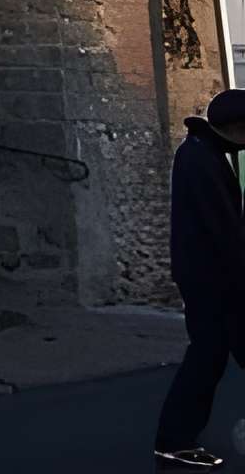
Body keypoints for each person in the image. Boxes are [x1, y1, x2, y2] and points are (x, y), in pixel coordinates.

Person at [157, 89, 245, 467]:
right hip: (213, 279)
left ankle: (175, 438)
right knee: (207, 356)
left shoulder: (198, 154)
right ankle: (174, 440)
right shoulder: (203, 161)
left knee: (208, 356)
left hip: (206, 276)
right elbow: (223, 231)